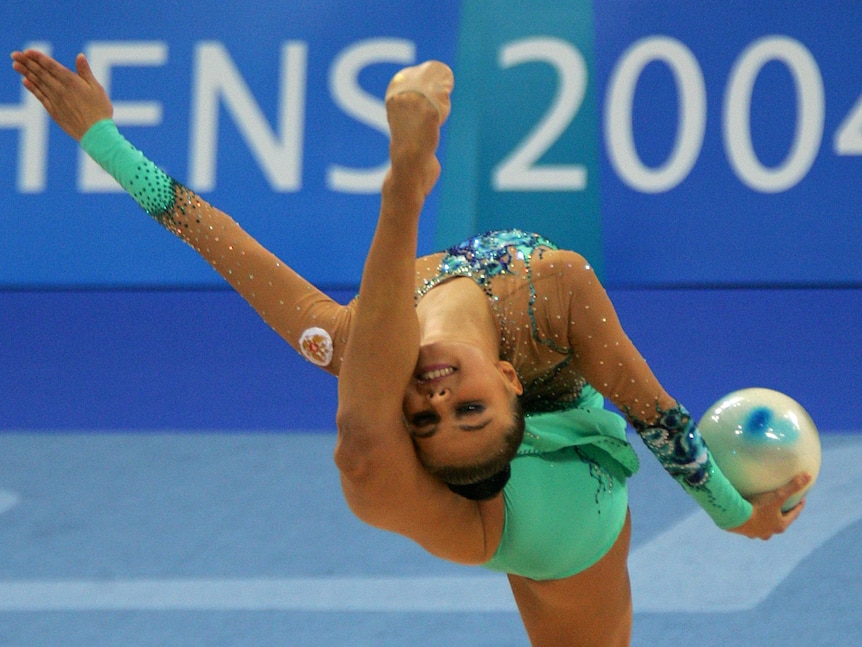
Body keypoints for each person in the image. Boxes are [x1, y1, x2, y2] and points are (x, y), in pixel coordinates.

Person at [11, 49, 810, 646]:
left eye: (427, 417)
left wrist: (103, 139)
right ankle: (406, 181)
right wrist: (736, 515)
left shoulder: (357, 344)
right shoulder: (556, 291)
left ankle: (406, 181)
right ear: (505, 381)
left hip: (554, 506)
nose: (431, 396)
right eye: (463, 408)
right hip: (570, 507)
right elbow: (652, 409)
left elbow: (214, 240)